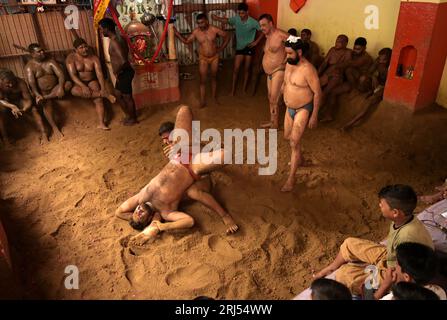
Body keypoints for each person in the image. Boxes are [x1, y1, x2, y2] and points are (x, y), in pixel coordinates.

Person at [115, 105, 235, 247]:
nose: (139, 212)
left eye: (136, 212)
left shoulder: (141, 197)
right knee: (225, 155)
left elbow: (119, 212)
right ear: (148, 220)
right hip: (193, 167)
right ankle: (225, 216)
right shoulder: (166, 212)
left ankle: (196, 145)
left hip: (180, 153)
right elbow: (189, 221)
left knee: (184, 110)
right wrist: (159, 226)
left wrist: (134, 219)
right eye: (141, 217)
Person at [313, 185, 434, 296]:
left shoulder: (407, 237)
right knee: (349, 243)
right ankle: (331, 267)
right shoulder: (402, 220)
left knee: (345, 276)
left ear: (395, 212)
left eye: (382, 204)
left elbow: (403, 272)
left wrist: (384, 280)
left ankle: (350, 273)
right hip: (392, 257)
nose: (379, 206)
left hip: (396, 273)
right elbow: (393, 251)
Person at [157, 121, 239, 234]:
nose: (165, 142)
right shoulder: (170, 149)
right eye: (163, 140)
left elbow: (204, 150)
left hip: (200, 178)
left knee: (193, 192)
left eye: (167, 138)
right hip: (185, 181)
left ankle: (225, 215)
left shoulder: (187, 142)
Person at [281, 36, 321, 192]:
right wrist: (279, 96)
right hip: (288, 108)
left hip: (303, 109)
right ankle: (301, 160)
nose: (287, 56)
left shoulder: (308, 70)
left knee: (293, 143)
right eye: (286, 53)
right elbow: (286, 83)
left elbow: (318, 93)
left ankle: (291, 180)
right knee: (287, 136)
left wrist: (314, 114)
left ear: (299, 51)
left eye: (289, 53)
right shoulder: (290, 63)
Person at [174, 14, 230, 108]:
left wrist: (221, 48)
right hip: (203, 58)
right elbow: (187, 41)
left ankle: (214, 98)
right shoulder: (196, 32)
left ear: (207, 21)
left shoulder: (214, 29)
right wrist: (177, 33)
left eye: (202, 22)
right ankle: (203, 101)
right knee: (202, 80)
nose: (200, 25)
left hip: (214, 57)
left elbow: (227, 36)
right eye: (199, 23)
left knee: (214, 77)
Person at [211, 3, 264, 96]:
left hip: (249, 48)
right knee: (236, 69)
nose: (241, 15)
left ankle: (244, 90)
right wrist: (217, 18)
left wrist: (256, 42)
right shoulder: (236, 19)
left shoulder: (253, 22)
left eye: (242, 13)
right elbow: (227, 20)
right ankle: (232, 90)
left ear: (247, 12)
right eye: (239, 13)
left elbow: (263, 31)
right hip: (239, 48)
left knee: (247, 69)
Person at [24, 43, 73, 140]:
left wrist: (60, 88)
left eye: (42, 50)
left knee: (68, 84)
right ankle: (55, 129)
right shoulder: (29, 67)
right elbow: (32, 84)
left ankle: (47, 97)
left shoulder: (50, 61)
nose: (42, 52)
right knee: (46, 103)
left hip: (55, 88)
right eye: (39, 52)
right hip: (42, 92)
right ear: (32, 54)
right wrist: (38, 95)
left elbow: (61, 75)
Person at [65, 38, 116, 130]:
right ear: (75, 50)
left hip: (92, 80)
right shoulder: (71, 58)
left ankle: (101, 123)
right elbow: (73, 76)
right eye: (81, 48)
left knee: (98, 99)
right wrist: (83, 86)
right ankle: (106, 95)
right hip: (78, 82)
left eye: (85, 46)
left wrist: (103, 88)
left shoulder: (94, 58)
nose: (85, 49)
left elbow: (99, 74)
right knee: (74, 91)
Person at [320, 37, 374, 122]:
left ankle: (354, 90)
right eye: (354, 48)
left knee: (349, 70)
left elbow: (349, 64)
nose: (355, 51)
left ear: (364, 48)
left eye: (358, 49)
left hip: (361, 82)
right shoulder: (352, 53)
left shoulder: (366, 57)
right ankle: (328, 115)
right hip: (351, 81)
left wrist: (333, 68)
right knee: (333, 92)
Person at [340, 48, 392, 131]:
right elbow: (369, 72)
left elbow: (391, 84)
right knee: (363, 78)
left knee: (370, 101)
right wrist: (373, 77)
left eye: (384, 60)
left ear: (390, 59)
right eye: (380, 59)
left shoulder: (392, 67)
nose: (381, 61)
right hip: (376, 85)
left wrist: (379, 89)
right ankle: (364, 92)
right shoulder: (378, 61)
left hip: (385, 88)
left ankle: (350, 123)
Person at [98, 18, 138, 126]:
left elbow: (123, 60)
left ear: (106, 29)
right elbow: (127, 55)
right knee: (118, 94)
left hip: (124, 71)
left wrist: (116, 71)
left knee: (127, 97)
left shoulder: (115, 42)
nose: (101, 32)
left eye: (101, 29)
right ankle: (130, 116)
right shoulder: (120, 38)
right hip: (124, 71)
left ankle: (133, 119)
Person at [375, 242, 446, 300]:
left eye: (397, 264)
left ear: (406, 277)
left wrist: (385, 285)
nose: (393, 267)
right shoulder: (439, 292)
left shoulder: (393, 297)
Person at [0, 68, 49, 145]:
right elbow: (0, 100)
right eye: (7, 83)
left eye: (12, 81)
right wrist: (12, 106)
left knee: (33, 110)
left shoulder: (20, 82)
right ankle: (5, 139)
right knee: (1, 112)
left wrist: (25, 109)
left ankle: (44, 133)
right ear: (1, 81)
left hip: (19, 101)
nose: (11, 84)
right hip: (6, 103)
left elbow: (28, 99)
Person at [258, 14, 289, 129]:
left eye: (264, 25)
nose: (262, 28)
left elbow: (297, 43)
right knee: (270, 97)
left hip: (278, 71)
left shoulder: (280, 34)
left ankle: (275, 125)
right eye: (260, 26)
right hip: (269, 73)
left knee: (274, 98)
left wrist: (286, 62)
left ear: (271, 23)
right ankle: (273, 122)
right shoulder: (267, 36)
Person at [317, 34, 351, 119]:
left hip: (337, 76)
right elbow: (324, 63)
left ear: (346, 43)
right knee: (316, 88)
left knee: (326, 92)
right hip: (327, 73)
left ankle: (317, 113)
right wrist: (317, 74)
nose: (337, 43)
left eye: (340, 42)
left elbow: (344, 66)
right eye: (336, 41)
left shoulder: (348, 52)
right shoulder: (332, 49)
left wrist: (330, 73)